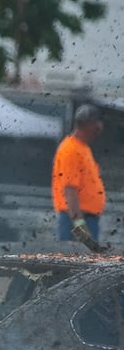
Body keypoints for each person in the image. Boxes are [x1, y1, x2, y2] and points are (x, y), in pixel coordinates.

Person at [52, 103, 107, 247]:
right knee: (74, 262)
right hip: (76, 219)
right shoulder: (70, 150)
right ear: (86, 124)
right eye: (96, 123)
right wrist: (79, 225)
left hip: (87, 218)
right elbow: (70, 190)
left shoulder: (83, 148)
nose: (99, 127)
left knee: (86, 263)